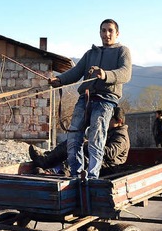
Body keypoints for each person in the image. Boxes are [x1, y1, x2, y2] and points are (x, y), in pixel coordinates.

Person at [49, 19, 132, 179]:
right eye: (103, 30)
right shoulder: (90, 53)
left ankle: (92, 176)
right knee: (74, 136)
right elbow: (76, 72)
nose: (106, 34)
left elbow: (125, 73)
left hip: (106, 99)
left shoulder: (122, 51)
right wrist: (59, 80)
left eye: (110, 30)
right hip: (85, 98)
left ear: (117, 33)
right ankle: (76, 173)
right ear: (99, 32)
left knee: (96, 137)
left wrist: (105, 74)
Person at [30, 106, 130, 177]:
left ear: (119, 121)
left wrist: (89, 144)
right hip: (97, 157)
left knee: (82, 157)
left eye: (110, 119)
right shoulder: (108, 131)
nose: (106, 121)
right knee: (72, 143)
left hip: (108, 166)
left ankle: (55, 172)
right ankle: (45, 161)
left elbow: (110, 154)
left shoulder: (121, 136)